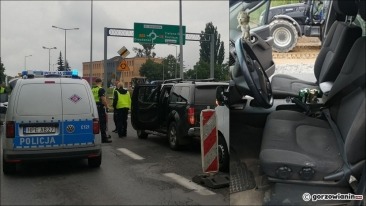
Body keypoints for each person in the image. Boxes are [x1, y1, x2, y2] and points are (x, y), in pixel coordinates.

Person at [92, 78, 112, 143]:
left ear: (95, 82)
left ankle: (97, 136)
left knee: (95, 122)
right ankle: (104, 138)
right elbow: (103, 100)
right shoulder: (101, 89)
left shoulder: (92, 89)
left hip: (94, 108)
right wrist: (107, 106)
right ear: (101, 82)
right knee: (102, 123)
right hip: (100, 108)